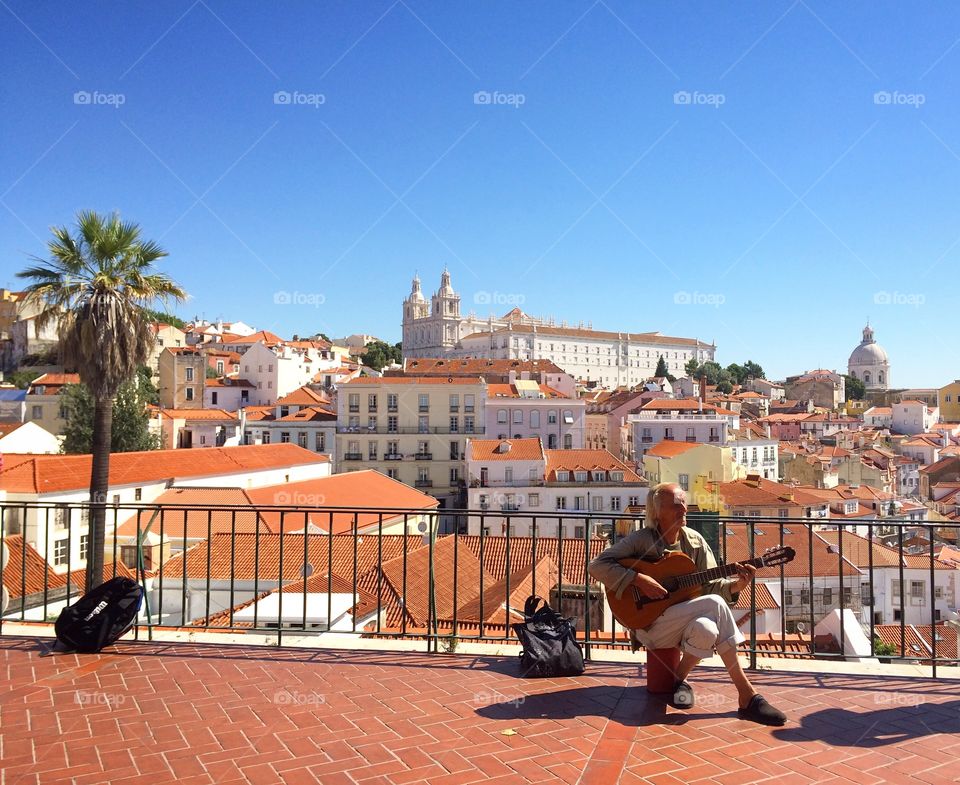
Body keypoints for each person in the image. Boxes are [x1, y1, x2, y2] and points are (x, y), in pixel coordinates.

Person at [588, 482, 786, 726]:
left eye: (684, 503)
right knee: (713, 604)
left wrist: (737, 586)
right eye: (675, 505)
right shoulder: (641, 541)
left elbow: (712, 587)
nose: (683, 509)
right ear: (657, 512)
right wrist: (639, 579)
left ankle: (676, 680)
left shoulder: (694, 542)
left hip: (681, 623)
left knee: (708, 629)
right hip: (647, 625)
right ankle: (747, 696)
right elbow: (595, 566)